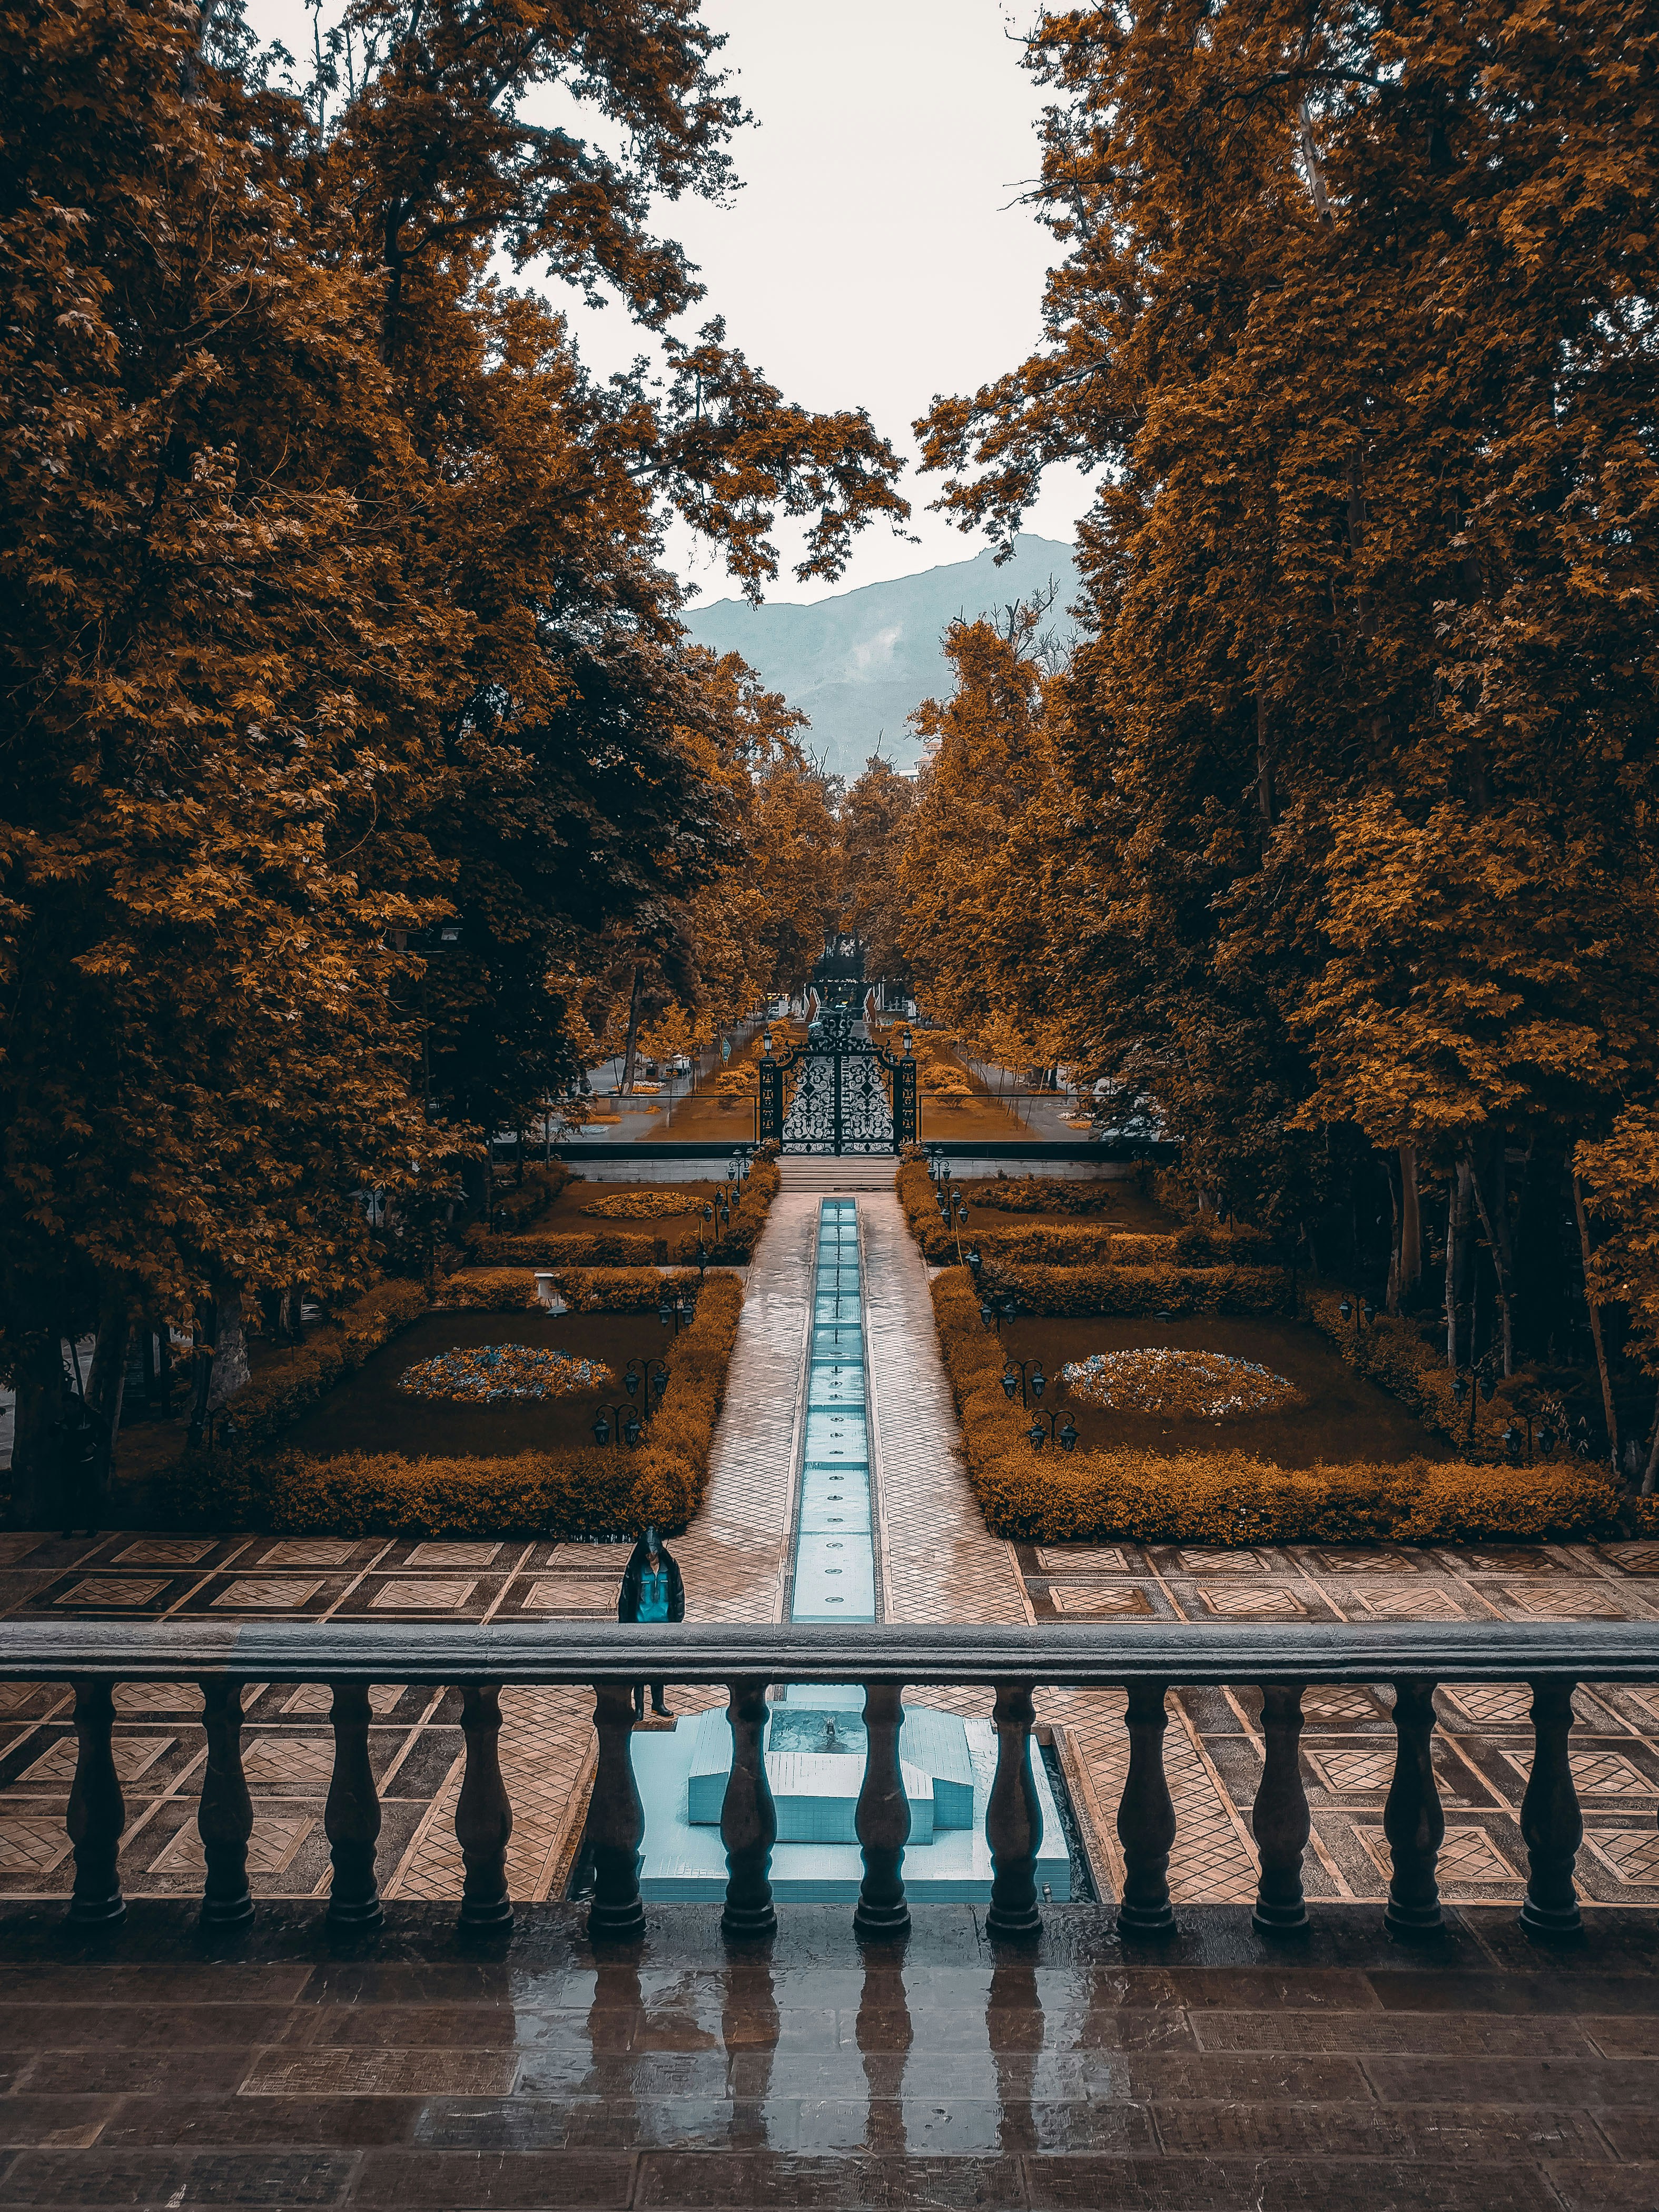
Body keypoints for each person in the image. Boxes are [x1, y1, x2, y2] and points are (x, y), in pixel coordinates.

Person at [617, 1524, 684, 1720]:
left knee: (658, 1667)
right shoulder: (636, 1571)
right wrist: (624, 1625)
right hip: (640, 1625)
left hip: (662, 1625)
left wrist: (677, 1619)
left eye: (654, 1554)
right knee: (639, 1669)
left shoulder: (670, 1569)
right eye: (648, 1554)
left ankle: (658, 1704)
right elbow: (626, 1598)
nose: (651, 1557)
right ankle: (639, 1708)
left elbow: (678, 1594)